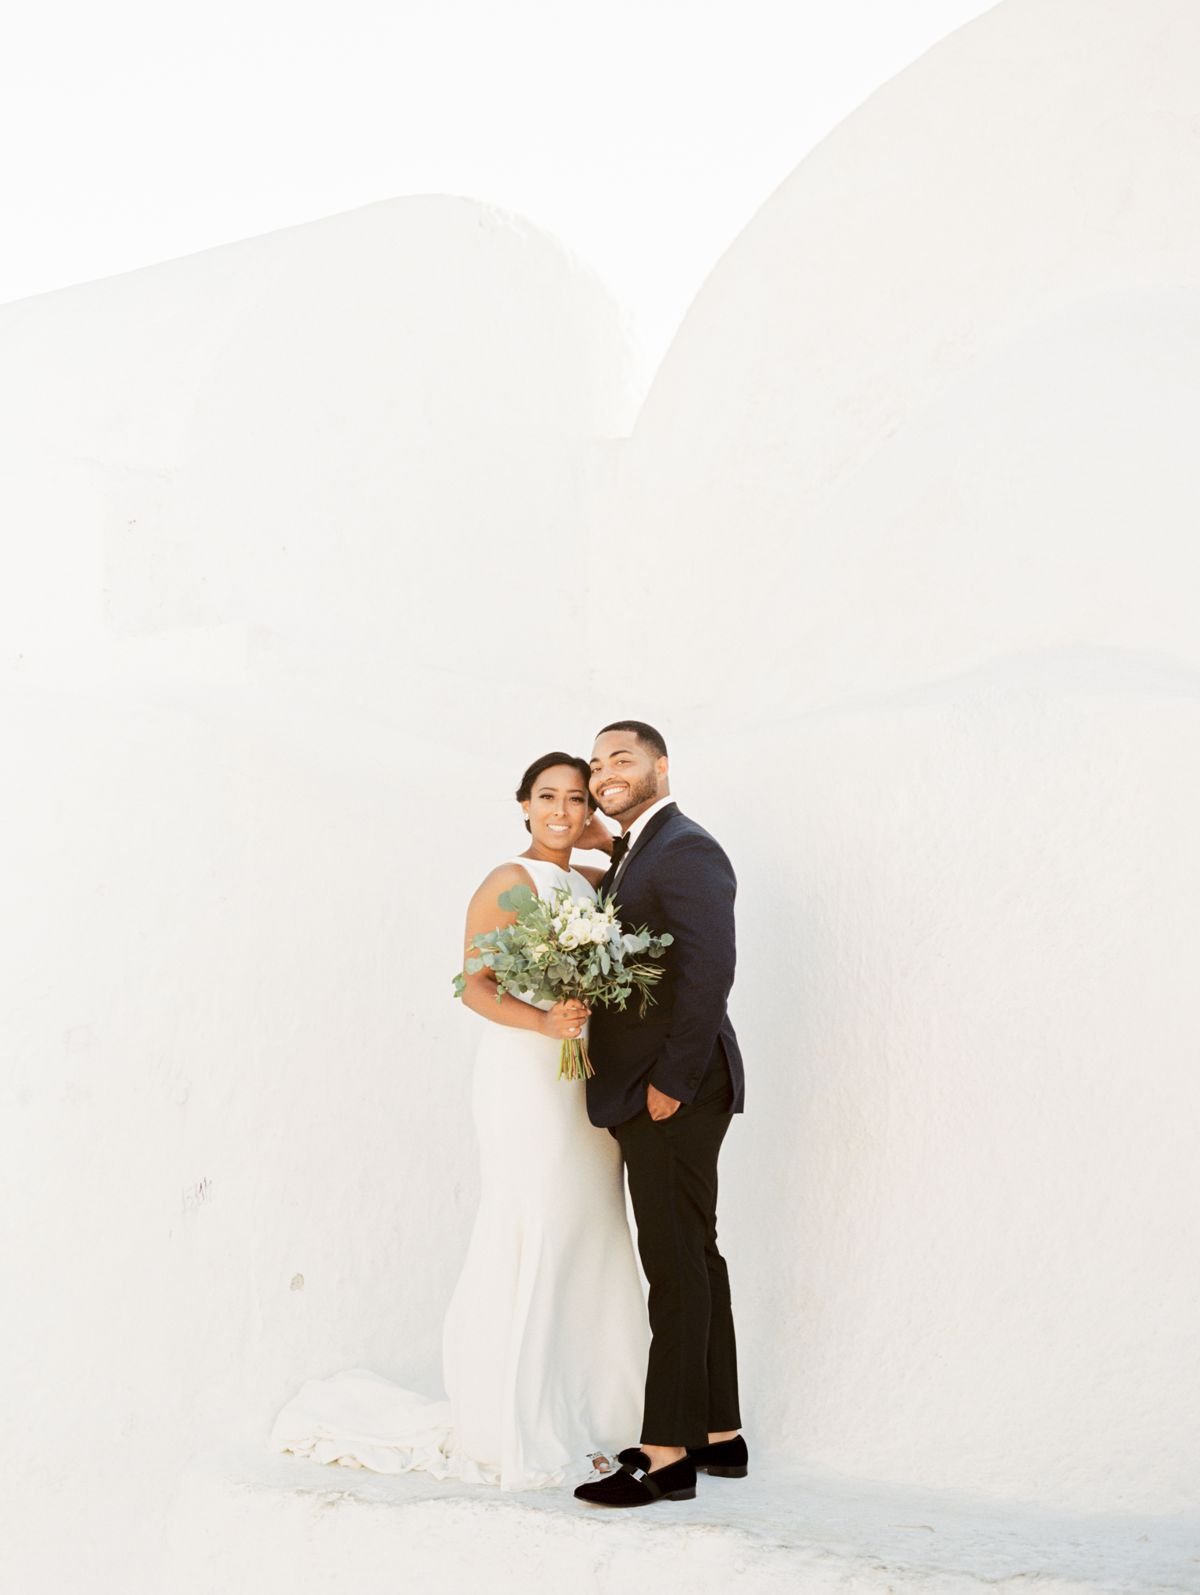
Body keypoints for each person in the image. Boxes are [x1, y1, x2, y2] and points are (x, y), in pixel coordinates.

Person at [270, 753, 647, 1490]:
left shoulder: (590, 880)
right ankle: (511, 1414)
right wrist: (544, 1020)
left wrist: (605, 842)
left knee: (589, 1223)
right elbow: (473, 985)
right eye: (548, 797)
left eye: (577, 798)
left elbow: (633, 885)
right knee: (531, 1216)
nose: (564, 811)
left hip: (584, 1079)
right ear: (523, 804)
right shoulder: (506, 881)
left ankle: (599, 1409)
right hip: (527, 1074)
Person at [573, 721, 747, 1510]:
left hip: (675, 1087)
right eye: (598, 761)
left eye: (623, 758)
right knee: (694, 1254)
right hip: (662, 1085)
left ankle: (667, 1450)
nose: (607, 770)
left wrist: (671, 1080)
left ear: (660, 765)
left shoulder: (686, 848)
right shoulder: (637, 851)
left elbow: (710, 971)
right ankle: (719, 1432)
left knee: (674, 1265)